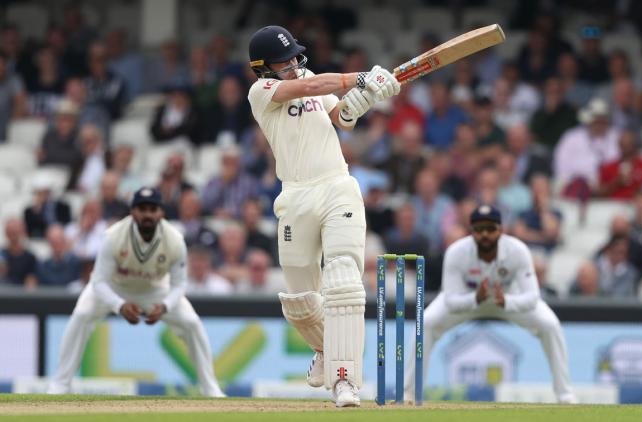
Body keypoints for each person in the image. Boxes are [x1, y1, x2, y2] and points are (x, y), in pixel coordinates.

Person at [246, 25, 400, 407]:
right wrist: (358, 77)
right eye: (285, 61)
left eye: (297, 56)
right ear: (264, 69)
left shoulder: (310, 78)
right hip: (295, 196)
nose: (296, 65)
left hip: (337, 186)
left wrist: (366, 96)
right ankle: (324, 349)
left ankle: (344, 380)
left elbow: (343, 119)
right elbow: (310, 90)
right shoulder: (261, 92)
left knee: (344, 278)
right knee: (300, 301)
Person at [47, 187, 224, 397]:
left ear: (161, 213)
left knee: (192, 323)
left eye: (152, 209)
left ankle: (211, 389)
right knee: (81, 315)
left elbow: (178, 285)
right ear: (132, 212)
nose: (147, 214)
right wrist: (119, 305)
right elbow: (98, 282)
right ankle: (60, 385)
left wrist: (165, 305)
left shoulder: (175, 239)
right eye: (142, 209)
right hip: (114, 287)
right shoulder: (113, 236)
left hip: (154, 288)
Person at [404, 205, 577, 404]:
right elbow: (450, 300)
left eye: (490, 229)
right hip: (468, 299)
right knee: (425, 324)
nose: (485, 234)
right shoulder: (457, 252)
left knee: (550, 325)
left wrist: (506, 301)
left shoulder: (517, 251)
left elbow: (531, 297)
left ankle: (565, 395)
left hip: (507, 299)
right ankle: (410, 394)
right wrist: (475, 299)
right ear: (471, 231)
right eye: (479, 229)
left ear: (500, 230)